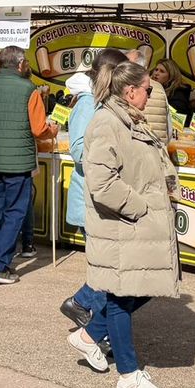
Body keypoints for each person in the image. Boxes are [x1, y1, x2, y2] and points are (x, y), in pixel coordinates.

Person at [74, 60, 179, 388]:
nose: (152, 94)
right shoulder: (106, 123)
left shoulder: (130, 119)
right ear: (130, 91)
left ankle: (90, 336)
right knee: (122, 296)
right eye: (148, 89)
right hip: (124, 226)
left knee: (142, 288)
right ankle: (128, 374)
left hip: (137, 227)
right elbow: (102, 183)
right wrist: (140, 207)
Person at [0, 45, 57, 285]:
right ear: (20, 64)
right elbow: (39, 129)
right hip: (18, 163)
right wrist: (53, 130)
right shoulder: (29, 89)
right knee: (15, 212)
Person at [57, 47, 127, 329]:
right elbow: (78, 151)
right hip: (91, 197)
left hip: (106, 196)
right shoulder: (87, 104)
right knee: (109, 267)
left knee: (110, 265)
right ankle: (96, 323)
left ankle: (87, 309)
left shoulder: (108, 103)